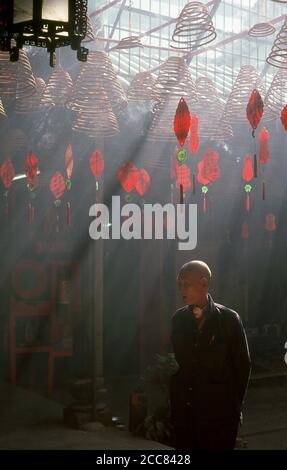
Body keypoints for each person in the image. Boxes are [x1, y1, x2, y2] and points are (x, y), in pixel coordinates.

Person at [170, 260, 251, 450]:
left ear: (203, 283)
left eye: (186, 285)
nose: (182, 290)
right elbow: (182, 363)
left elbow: (243, 367)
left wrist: (234, 408)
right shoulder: (179, 319)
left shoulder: (229, 320)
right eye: (179, 285)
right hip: (187, 412)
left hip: (219, 413)